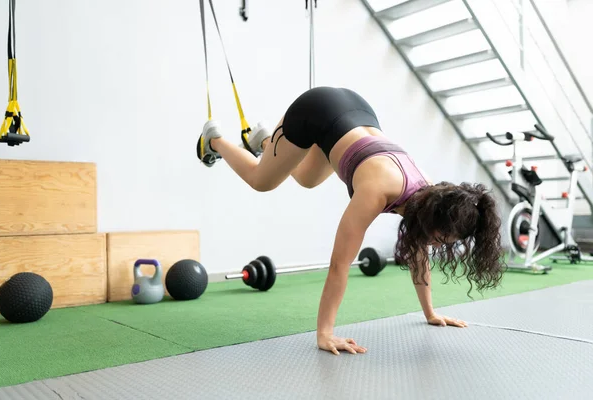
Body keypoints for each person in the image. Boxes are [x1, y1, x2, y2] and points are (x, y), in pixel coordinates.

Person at [197, 86, 506, 356]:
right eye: (439, 239)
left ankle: (267, 143)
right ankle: (215, 140)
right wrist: (325, 333)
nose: (436, 244)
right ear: (430, 220)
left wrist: (430, 312)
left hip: (354, 114)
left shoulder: (432, 196)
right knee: (261, 180)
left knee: (306, 178)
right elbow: (339, 264)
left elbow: (419, 252)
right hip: (315, 111)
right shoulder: (376, 192)